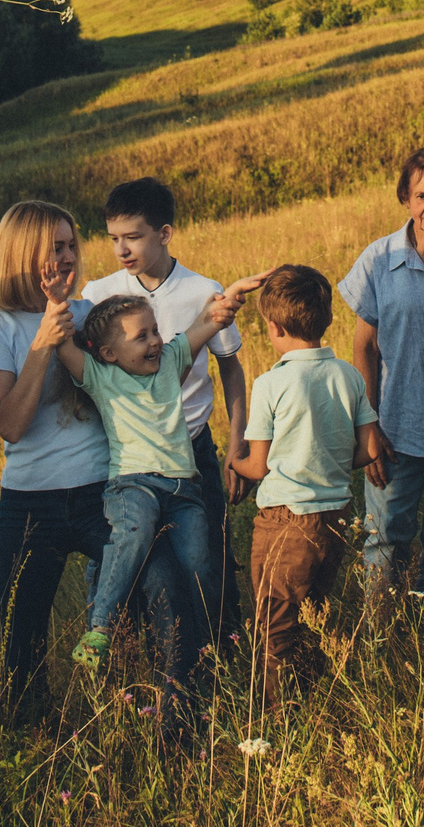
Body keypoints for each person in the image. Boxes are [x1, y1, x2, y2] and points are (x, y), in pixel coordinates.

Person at [82, 178, 249, 648]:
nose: (121, 249)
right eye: (113, 238)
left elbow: (231, 371)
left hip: (192, 450)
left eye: (133, 237)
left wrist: (237, 443)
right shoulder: (98, 294)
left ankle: (220, 655)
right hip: (129, 457)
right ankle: (129, 656)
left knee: (209, 560)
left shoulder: (201, 291)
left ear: (164, 233)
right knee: (129, 559)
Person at [0, 200, 109, 717]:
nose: (69, 256)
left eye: (72, 245)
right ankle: (34, 745)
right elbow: (10, 423)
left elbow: (113, 396)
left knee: (149, 589)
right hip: (29, 504)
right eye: (56, 248)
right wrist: (42, 344)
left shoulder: (90, 317)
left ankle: (135, 706)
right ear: (23, 254)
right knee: (22, 645)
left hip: (100, 490)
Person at [59, 286, 245, 670]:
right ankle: (100, 629)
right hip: (134, 484)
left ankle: (207, 647)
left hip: (183, 489)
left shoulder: (171, 363)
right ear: (109, 353)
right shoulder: (100, 376)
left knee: (199, 563)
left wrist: (230, 298)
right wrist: (54, 300)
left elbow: (206, 322)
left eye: (155, 331)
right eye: (140, 337)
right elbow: (62, 345)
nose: (155, 342)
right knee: (135, 532)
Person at [225, 266, 386, 698]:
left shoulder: (271, 383)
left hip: (284, 520)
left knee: (274, 622)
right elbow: (369, 449)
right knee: (316, 613)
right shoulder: (349, 376)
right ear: (328, 319)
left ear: (274, 328)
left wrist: (234, 462)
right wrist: (329, 461)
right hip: (334, 519)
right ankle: (312, 697)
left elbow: (258, 467)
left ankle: (274, 714)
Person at [338, 145, 424, 597]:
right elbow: (365, 348)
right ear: (405, 197)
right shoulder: (379, 260)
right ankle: (380, 646)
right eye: (421, 196)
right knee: (383, 540)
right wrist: (368, 427)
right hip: (395, 429)